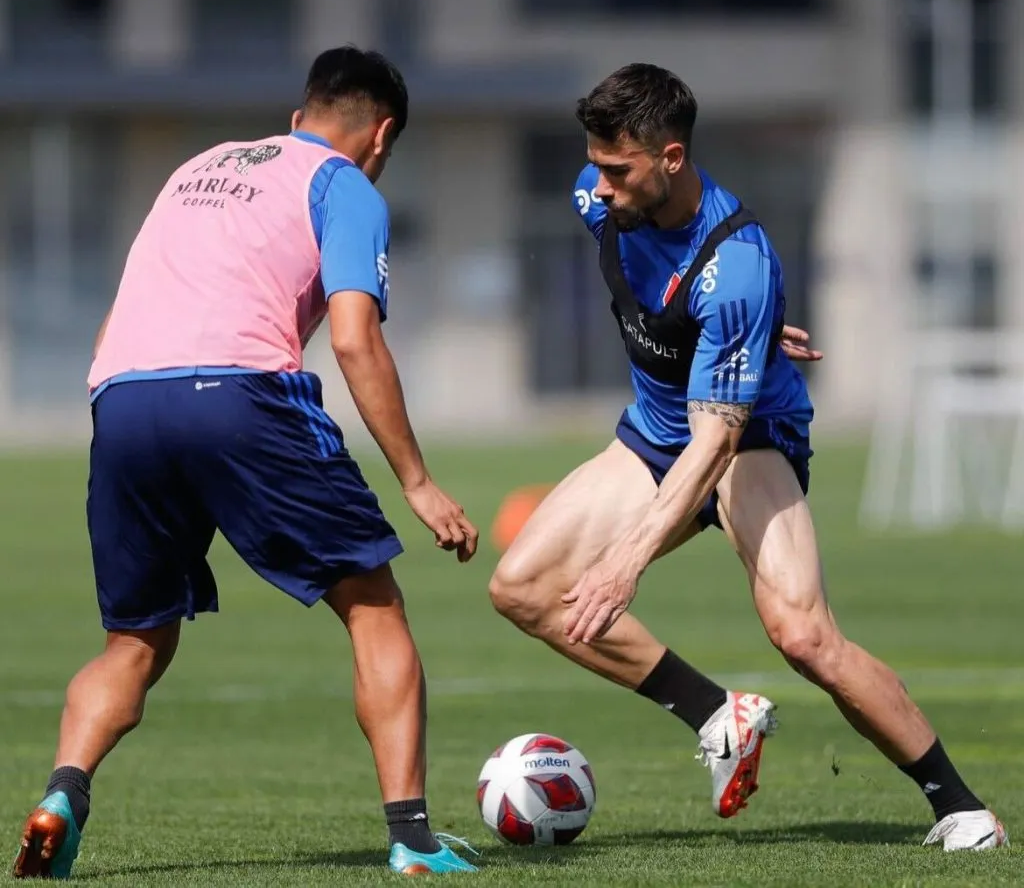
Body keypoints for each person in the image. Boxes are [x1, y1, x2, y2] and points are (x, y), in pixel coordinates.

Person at [488, 63, 1008, 852]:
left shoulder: (738, 265)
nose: (601, 185)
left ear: (671, 158)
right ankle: (717, 715)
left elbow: (717, 440)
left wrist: (627, 560)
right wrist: (744, 335)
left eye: (618, 169)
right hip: (656, 433)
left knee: (803, 636)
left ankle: (961, 807)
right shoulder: (597, 198)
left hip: (747, 438)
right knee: (524, 588)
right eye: (594, 164)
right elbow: (674, 317)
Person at [13, 46, 480, 879]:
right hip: (238, 394)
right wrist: (416, 478)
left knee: (133, 641)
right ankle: (412, 838)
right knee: (374, 607)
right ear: (381, 135)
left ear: (299, 115)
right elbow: (351, 337)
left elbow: (115, 323)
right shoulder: (345, 185)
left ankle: (62, 792)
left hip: (121, 398)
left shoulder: (195, 168)